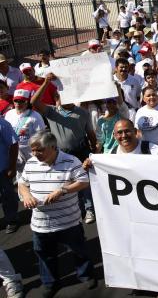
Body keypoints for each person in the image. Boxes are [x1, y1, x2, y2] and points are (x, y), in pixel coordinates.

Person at [18, 131, 95, 297]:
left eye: (39, 150)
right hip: (41, 224)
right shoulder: (31, 163)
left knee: (78, 251)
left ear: (53, 147)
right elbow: (22, 183)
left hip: (69, 221)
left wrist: (62, 190)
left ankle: (86, 275)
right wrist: (26, 195)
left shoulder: (71, 161)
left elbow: (83, 181)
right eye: (33, 150)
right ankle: (50, 283)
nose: (35, 154)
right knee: (45, 256)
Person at [30, 74, 97, 224]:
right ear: (57, 96)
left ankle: (89, 209)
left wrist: (94, 151)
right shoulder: (52, 111)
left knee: (83, 181)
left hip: (81, 151)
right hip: (60, 154)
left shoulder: (83, 112)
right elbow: (34, 101)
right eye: (62, 94)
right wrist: (46, 82)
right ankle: (76, 209)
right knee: (66, 183)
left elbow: (91, 133)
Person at [4, 89, 45, 182]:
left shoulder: (35, 116)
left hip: (29, 153)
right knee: (18, 179)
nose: (18, 103)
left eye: (22, 101)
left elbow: (41, 136)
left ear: (27, 101)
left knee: (31, 178)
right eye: (16, 100)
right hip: (13, 152)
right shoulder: (9, 114)